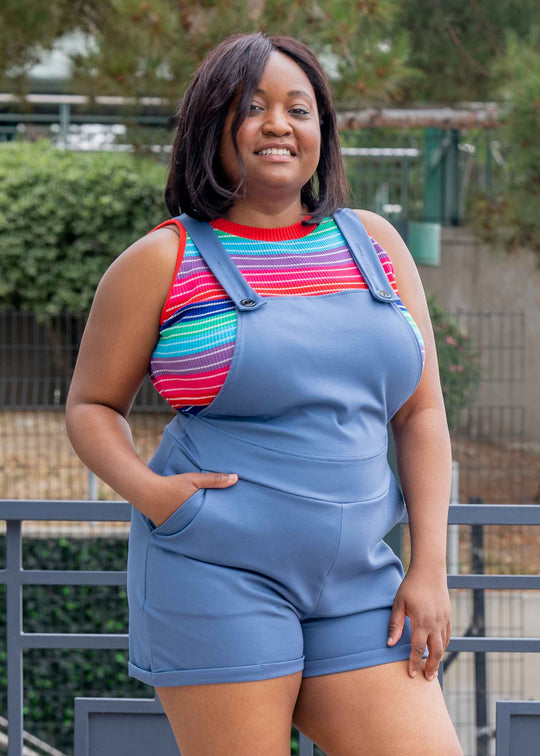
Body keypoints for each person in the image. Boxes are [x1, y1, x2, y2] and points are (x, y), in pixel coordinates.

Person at [65, 31, 464, 756]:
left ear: (322, 131)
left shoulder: (374, 243)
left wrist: (430, 568)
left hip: (360, 584)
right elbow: (91, 407)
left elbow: (422, 412)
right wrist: (158, 497)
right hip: (216, 573)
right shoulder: (162, 259)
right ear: (212, 126)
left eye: (299, 108)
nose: (278, 124)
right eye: (252, 107)